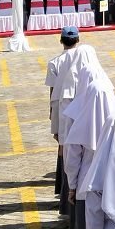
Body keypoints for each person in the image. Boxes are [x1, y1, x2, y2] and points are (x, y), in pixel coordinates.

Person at [63, 67, 115, 229]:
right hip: (114, 180)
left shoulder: (76, 113)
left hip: (85, 182)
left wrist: (71, 186)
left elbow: (72, 158)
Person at [45, 26, 83, 216]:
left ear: (61, 41)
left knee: (63, 147)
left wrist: (52, 112)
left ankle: (63, 187)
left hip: (61, 107)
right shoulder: (84, 60)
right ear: (78, 40)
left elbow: (52, 91)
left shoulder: (55, 62)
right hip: (81, 108)